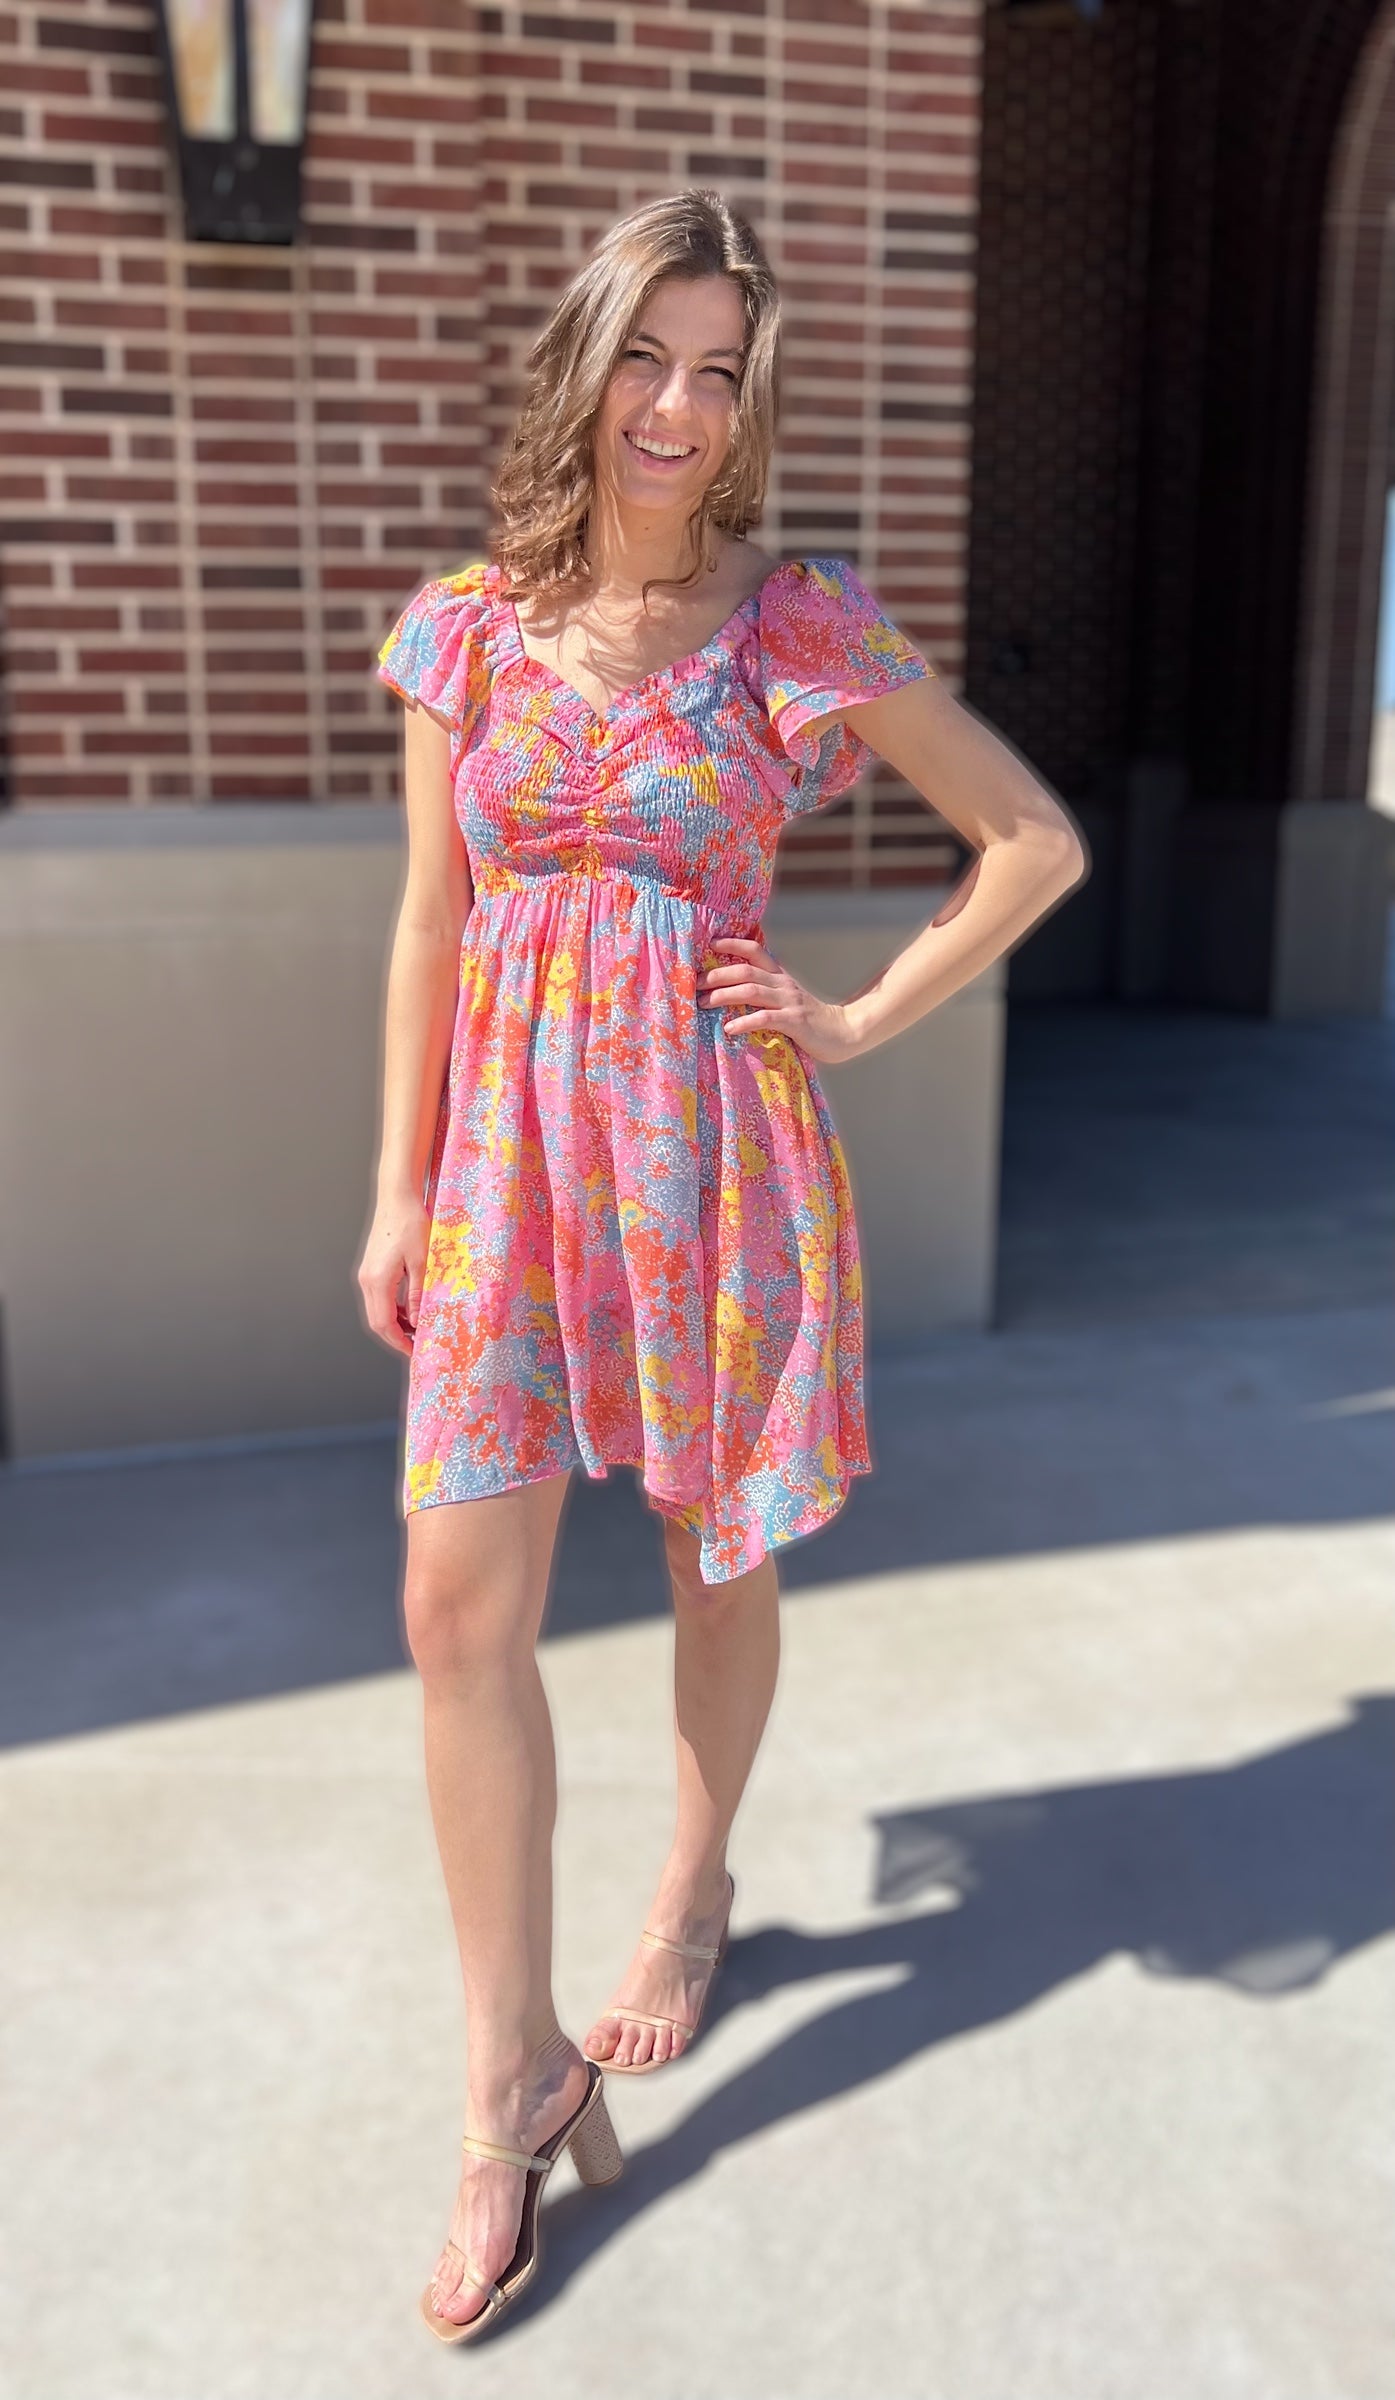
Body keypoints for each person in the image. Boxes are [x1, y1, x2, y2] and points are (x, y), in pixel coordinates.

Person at [359, 186, 1086, 2345]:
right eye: (645, 357)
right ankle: (507, 2087)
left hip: (708, 1165)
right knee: (452, 1608)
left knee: (710, 1558)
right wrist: (395, 1190)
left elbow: (1029, 839)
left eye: (717, 368)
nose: (676, 406)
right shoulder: (466, 630)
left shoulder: (795, 622)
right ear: (583, 366)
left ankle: (687, 1889)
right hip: (504, 1172)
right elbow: (431, 919)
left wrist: (852, 1019)